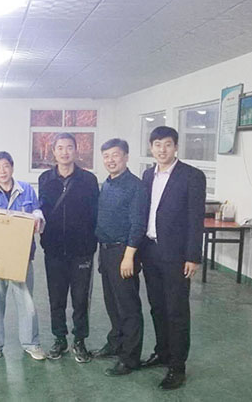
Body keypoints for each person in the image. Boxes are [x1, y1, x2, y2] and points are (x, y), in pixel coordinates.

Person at [139, 126, 206, 390]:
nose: (162, 149)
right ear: (151, 147)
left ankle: (177, 366)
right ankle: (162, 352)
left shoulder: (192, 176)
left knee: (176, 310)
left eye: (167, 144)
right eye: (157, 144)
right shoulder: (147, 175)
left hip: (177, 255)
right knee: (157, 306)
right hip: (150, 250)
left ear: (176, 146)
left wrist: (193, 256)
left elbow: (195, 219)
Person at [0, 151, 47, 360]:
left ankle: (31, 343)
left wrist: (37, 219)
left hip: (21, 257)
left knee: (26, 303)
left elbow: (37, 212)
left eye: (6, 166)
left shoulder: (26, 190)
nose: (2, 171)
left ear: (12, 167)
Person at [38, 133, 99, 361]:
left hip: (82, 250)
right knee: (56, 298)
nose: (65, 152)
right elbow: (40, 210)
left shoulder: (88, 180)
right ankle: (60, 339)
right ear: (54, 152)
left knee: (81, 299)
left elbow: (95, 213)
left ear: (76, 150)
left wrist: (90, 242)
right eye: (60, 148)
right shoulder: (45, 179)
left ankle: (79, 340)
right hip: (54, 249)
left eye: (69, 147)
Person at [93, 139, 148, 376]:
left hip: (124, 252)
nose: (110, 160)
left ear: (126, 156)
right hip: (106, 250)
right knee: (112, 302)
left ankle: (130, 358)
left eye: (115, 155)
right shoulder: (107, 183)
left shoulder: (135, 186)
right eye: (106, 156)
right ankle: (116, 342)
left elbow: (138, 224)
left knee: (128, 306)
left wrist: (129, 256)